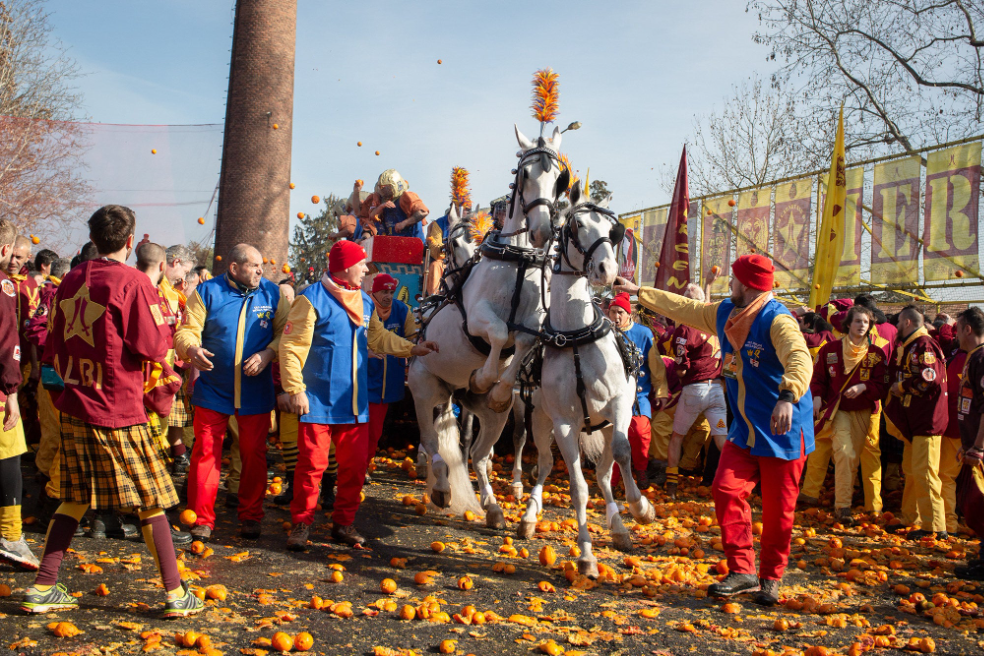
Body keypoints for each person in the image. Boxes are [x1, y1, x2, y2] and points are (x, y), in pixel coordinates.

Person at [22, 205, 202, 617]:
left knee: (73, 496)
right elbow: (154, 346)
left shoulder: (68, 280)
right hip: (117, 406)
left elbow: (53, 343)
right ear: (127, 241)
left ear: (94, 237)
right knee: (152, 499)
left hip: (74, 403)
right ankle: (176, 594)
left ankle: (43, 586)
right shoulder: (135, 282)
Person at [615, 253, 814, 606]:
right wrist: (639, 291)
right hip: (745, 430)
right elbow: (685, 309)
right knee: (725, 488)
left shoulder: (777, 320)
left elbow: (799, 358)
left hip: (781, 429)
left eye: (734, 280)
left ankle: (770, 577)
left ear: (748, 285)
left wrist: (787, 395)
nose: (728, 285)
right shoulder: (725, 312)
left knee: (778, 511)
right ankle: (742, 570)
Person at [280, 240, 439, 550]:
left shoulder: (365, 304)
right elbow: (291, 348)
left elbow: (379, 340)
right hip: (317, 403)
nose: (367, 269)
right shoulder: (310, 299)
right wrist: (294, 388)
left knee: (354, 470)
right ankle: (301, 524)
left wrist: (413, 348)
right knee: (311, 468)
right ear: (345, 266)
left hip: (354, 404)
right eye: (362, 264)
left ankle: (343, 524)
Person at [174, 243, 289, 542]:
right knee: (205, 454)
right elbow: (187, 330)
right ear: (234, 268)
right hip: (213, 388)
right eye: (253, 266)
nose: (260, 271)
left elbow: (286, 334)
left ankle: (251, 515)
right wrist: (191, 348)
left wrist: (268, 354)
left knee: (254, 455)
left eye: (261, 265)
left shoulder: (273, 294)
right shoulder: (207, 292)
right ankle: (201, 520)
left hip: (256, 392)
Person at [800, 305, 888, 523]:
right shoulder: (828, 350)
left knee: (869, 454)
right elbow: (817, 378)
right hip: (835, 411)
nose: (861, 326)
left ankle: (873, 505)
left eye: (865, 323)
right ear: (848, 324)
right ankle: (821, 498)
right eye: (857, 321)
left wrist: (865, 388)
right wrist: (817, 396)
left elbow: (883, 386)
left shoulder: (876, 354)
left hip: (868, 413)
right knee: (831, 450)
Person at [884, 305, 950, 540]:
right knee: (911, 471)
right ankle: (911, 518)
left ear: (908, 323)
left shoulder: (924, 344)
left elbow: (928, 377)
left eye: (899, 323)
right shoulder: (913, 345)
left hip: (927, 421)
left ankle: (935, 526)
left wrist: (900, 387)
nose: (896, 327)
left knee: (925, 473)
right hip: (915, 421)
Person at [663, 283, 726, 497]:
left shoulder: (686, 328)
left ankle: (671, 484)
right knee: (721, 437)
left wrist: (682, 372)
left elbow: (681, 366)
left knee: (676, 437)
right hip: (717, 392)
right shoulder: (716, 324)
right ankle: (728, 485)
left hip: (695, 392)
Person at [0, 219, 35, 571]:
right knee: (10, 455)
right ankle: (10, 534)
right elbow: (7, 342)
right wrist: (11, 391)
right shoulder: (6, 289)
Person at [24, 258, 71, 515]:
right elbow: (37, 329)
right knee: (56, 436)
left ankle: (47, 499)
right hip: (55, 372)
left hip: (59, 371)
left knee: (56, 435)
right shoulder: (55, 295)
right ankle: (46, 501)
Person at [366, 274, 417, 478]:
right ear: (374, 292)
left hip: (387, 385)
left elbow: (413, 339)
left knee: (374, 432)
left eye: (390, 292)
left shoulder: (403, 311)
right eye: (383, 292)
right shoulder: (364, 308)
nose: (388, 296)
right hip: (364, 379)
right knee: (358, 430)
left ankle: (362, 467)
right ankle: (348, 468)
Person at [606, 292, 658, 489]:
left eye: (620, 312)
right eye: (612, 312)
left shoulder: (644, 334)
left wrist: (661, 390)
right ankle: (612, 481)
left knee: (639, 431)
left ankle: (641, 471)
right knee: (614, 434)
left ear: (629, 314)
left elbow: (655, 365)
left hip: (639, 395)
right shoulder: (605, 334)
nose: (616, 316)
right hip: (609, 395)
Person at [952, 308, 984, 579]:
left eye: (958, 328)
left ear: (968, 330)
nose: (956, 334)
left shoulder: (981, 358)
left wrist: (979, 446)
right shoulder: (973, 357)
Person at [161, 245, 197, 473]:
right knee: (164, 416)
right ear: (175, 263)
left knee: (174, 415)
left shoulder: (175, 295)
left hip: (174, 365)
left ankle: (177, 453)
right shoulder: (158, 291)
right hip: (160, 366)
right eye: (184, 272)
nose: (183, 280)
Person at [8, 235, 40, 446]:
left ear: (28, 257)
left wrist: (36, 365)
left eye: (18, 257)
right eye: (10, 255)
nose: (13, 261)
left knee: (27, 405)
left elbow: (37, 329)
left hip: (26, 359)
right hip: (5, 357)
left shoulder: (32, 286)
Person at [356, 170, 429, 240]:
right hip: (391, 245)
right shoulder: (379, 200)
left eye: (387, 188)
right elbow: (372, 217)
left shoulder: (406, 197)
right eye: (382, 189)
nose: (384, 192)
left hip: (412, 243)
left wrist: (404, 223)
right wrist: (382, 206)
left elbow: (423, 211)